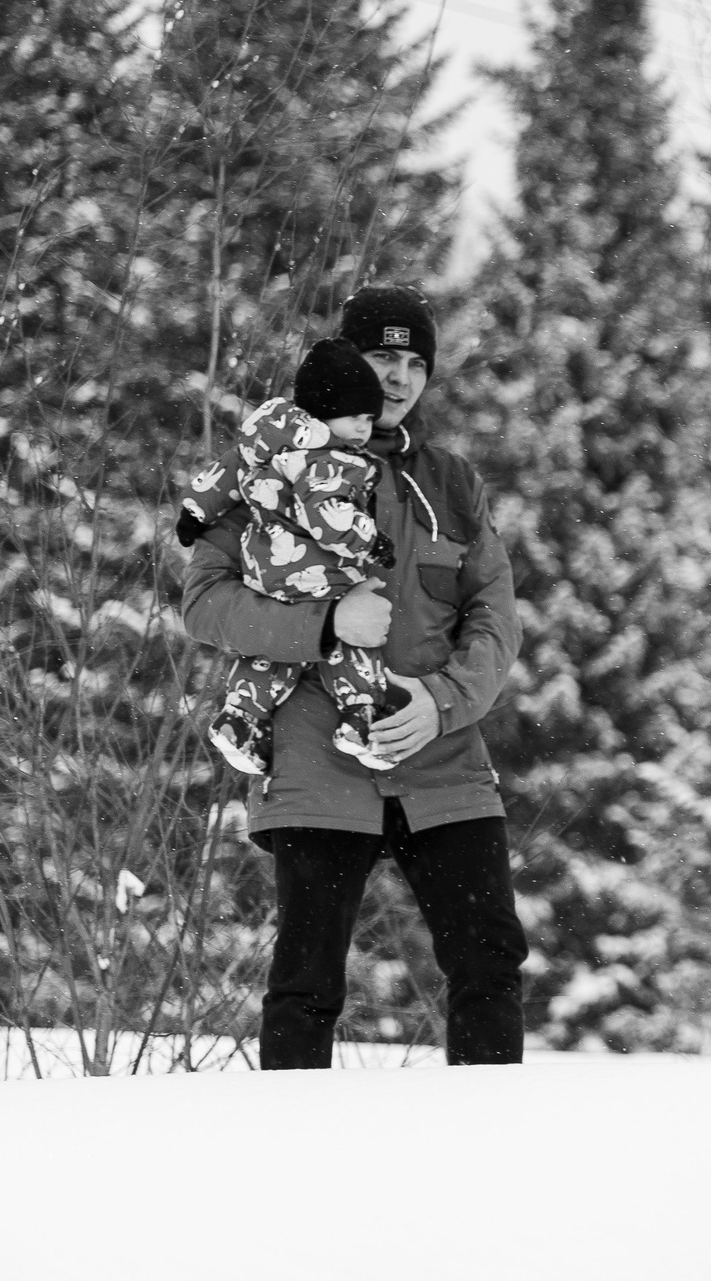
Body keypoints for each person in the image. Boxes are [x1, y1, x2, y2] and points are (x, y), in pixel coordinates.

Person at [180, 284, 529, 1068]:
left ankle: (494, 1157)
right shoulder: (273, 472)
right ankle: (291, 1166)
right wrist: (323, 625)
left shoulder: (451, 485)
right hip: (315, 759)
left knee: (489, 961)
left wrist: (442, 703)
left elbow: (494, 618)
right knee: (307, 983)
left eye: (415, 363)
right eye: (381, 357)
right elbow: (203, 602)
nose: (399, 379)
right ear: (348, 360)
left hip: (441, 761)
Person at [178, 337, 406, 775]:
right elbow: (328, 517)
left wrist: (194, 510)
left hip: (265, 568)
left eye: (369, 419)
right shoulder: (332, 461)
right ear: (324, 411)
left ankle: (240, 717)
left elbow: (225, 473)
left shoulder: (263, 442)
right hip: (318, 572)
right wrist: (369, 540)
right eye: (356, 417)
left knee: (274, 652)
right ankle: (361, 716)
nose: (364, 429)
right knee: (352, 637)